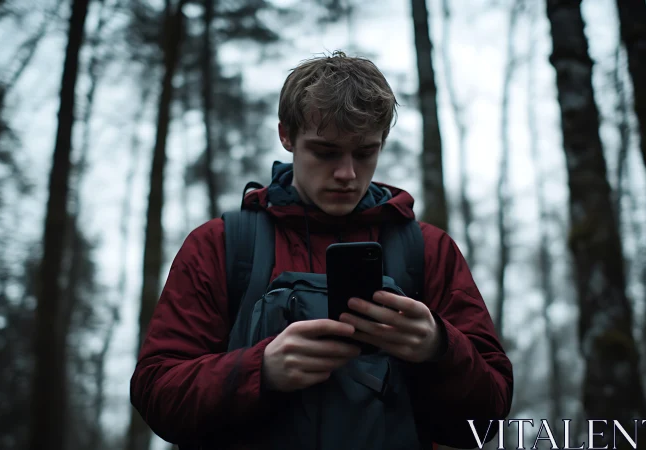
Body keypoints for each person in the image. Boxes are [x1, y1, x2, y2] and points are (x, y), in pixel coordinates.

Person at [130, 51, 513, 450]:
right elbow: (156, 394)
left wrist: (439, 347)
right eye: (326, 152)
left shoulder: (429, 250)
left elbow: (489, 416)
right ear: (286, 136)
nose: (347, 173)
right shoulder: (223, 245)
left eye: (365, 152)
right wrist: (261, 369)